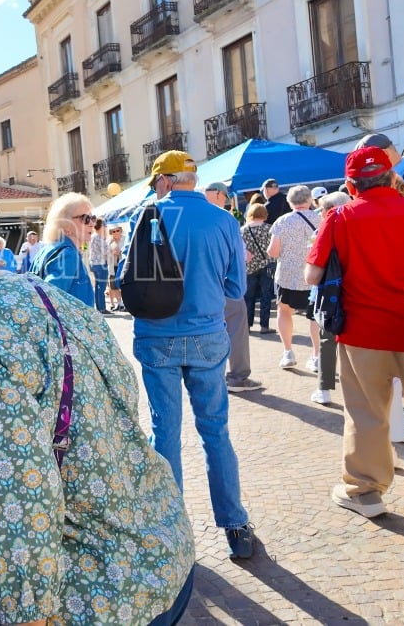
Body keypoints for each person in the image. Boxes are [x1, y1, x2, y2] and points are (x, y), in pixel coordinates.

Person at [0, 183, 195, 625]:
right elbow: (123, 410)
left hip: (93, 600)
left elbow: (11, 502)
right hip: (158, 558)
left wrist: (27, 615)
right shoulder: (45, 297)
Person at [305, 146, 404, 521]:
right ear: (391, 175)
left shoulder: (340, 216)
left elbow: (312, 276)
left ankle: (366, 492)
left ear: (351, 185)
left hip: (363, 331)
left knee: (367, 413)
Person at [126, 151, 257, 560]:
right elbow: (236, 288)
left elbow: (125, 281)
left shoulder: (148, 218)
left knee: (165, 432)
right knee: (215, 430)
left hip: (157, 336)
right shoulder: (223, 220)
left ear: (164, 181)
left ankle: (169, 528)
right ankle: (235, 525)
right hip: (206, 334)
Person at [205, 182, 263, 393]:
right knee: (236, 329)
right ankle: (238, 377)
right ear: (220, 195)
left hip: (198, 288)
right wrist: (237, 289)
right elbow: (239, 257)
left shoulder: (187, 216)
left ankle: (210, 378)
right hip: (224, 286)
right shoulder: (225, 219)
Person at [268, 185, 321, 372]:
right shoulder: (321, 218)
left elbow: (273, 252)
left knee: (284, 312)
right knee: (315, 316)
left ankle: (288, 352)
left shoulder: (282, 222)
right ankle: (316, 357)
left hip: (287, 276)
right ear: (309, 200)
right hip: (314, 275)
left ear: (290, 202)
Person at [309, 191, 351, 406]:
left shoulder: (324, 230)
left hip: (329, 293)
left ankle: (324, 389)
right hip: (355, 291)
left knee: (327, 340)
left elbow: (312, 275)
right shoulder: (358, 227)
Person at [30, 193, 95, 306]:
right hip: (68, 323)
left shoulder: (47, 249)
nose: (92, 224)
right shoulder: (68, 254)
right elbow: (50, 300)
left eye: (93, 218)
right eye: (86, 218)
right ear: (65, 223)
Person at [242, 203, 275, 335]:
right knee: (266, 297)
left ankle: (247, 326)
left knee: (248, 298)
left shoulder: (243, 230)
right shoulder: (270, 229)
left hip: (249, 267)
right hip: (267, 266)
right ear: (264, 214)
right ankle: (264, 326)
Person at [86, 218, 109, 312]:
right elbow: (105, 251)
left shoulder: (93, 236)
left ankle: (99, 307)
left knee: (98, 286)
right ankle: (102, 308)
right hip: (100, 264)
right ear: (102, 226)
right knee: (101, 287)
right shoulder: (99, 237)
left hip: (94, 263)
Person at [106, 225, 124, 311]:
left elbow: (129, 251)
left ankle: (125, 304)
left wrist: (120, 253)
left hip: (122, 266)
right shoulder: (109, 242)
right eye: (114, 231)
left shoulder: (125, 240)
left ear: (121, 231)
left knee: (123, 286)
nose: (116, 232)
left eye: (117, 230)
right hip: (112, 266)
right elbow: (104, 254)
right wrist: (111, 252)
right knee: (114, 286)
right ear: (111, 233)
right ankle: (119, 304)